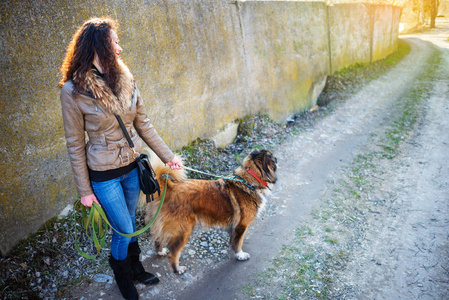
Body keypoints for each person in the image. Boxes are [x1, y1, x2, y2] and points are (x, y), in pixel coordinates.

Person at [59, 17, 182, 300]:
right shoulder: (72, 91)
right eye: (115, 42)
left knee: (130, 223)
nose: (119, 48)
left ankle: (136, 268)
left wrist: (168, 156)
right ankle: (123, 277)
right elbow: (75, 143)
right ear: (99, 46)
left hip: (132, 168)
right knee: (124, 229)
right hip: (104, 174)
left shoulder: (126, 78)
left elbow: (144, 124)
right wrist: (84, 191)